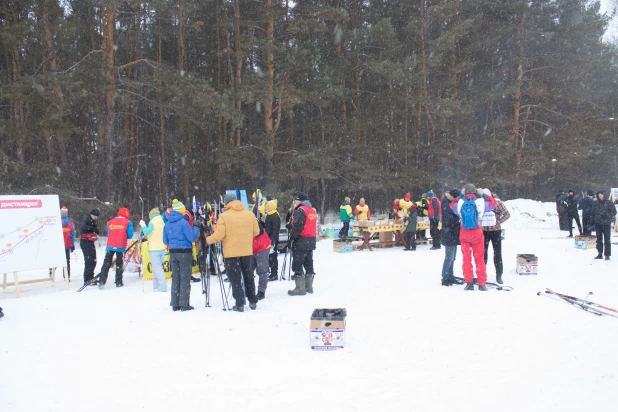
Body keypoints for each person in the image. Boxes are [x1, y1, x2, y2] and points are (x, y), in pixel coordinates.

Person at [206, 194, 260, 312]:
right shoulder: (249, 214)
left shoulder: (224, 216)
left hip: (231, 253)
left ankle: (239, 303)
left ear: (226, 203)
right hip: (247, 251)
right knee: (249, 276)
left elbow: (219, 235)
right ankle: (252, 300)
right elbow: (256, 232)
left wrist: (208, 240)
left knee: (235, 278)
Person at [450, 184, 497, 291]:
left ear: (465, 192)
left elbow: (452, 205)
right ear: (475, 192)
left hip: (464, 233)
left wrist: (460, 195)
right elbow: (494, 202)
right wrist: (483, 193)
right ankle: (481, 283)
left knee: (466, 259)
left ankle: (469, 282)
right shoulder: (481, 203)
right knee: (479, 259)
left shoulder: (460, 203)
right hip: (477, 233)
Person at [164, 199, 200, 311]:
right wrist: (196, 227)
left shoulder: (167, 223)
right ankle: (184, 304)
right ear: (181, 211)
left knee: (175, 277)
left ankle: (175, 303)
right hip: (184, 252)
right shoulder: (183, 223)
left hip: (173, 253)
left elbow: (165, 241)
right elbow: (192, 237)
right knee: (185, 278)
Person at [287, 192, 317, 296]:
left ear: (300, 201)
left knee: (297, 263)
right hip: (311, 239)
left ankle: (300, 288)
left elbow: (299, 226)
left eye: (296, 200)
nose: (295, 202)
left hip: (301, 240)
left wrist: (292, 238)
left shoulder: (301, 210)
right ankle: (309, 287)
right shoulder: (312, 210)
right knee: (308, 263)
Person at [99, 207, 134, 289]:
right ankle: (118, 282)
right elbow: (130, 235)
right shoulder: (128, 222)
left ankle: (102, 281)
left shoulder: (110, 222)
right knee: (119, 264)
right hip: (120, 246)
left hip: (110, 245)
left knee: (106, 263)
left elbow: (108, 232)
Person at [481, 189, 511, 284]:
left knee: (497, 254)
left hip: (496, 231)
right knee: (483, 254)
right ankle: (482, 274)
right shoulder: (481, 203)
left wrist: (498, 221)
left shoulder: (498, 203)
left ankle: (499, 275)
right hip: (484, 231)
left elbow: (507, 214)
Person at [140, 208, 167, 292]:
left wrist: (143, 225)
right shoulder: (162, 222)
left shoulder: (152, 223)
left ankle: (162, 286)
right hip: (162, 248)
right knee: (158, 268)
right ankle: (155, 286)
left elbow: (147, 232)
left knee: (157, 268)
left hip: (154, 249)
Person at [441, 190, 461, 286]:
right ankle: (445, 277)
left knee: (453, 257)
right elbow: (448, 220)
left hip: (452, 233)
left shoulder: (449, 203)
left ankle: (450, 275)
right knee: (449, 257)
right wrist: (458, 220)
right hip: (449, 233)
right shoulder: (447, 204)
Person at [592, 191, 616, 260]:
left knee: (607, 239)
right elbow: (593, 212)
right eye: (599, 194)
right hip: (598, 223)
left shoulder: (609, 203)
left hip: (606, 224)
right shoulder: (596, 203)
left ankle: (607, 255)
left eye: (601, 194)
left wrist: (607, 216)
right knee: (599, 239)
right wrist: (594, 219)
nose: (600, 196)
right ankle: (600, 253)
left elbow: (614, 212)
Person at [52, 206, 75, 280]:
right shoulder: (70, 223)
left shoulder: (56, 222)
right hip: (67, 244)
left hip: (58, 245)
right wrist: (72, 245)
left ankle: (51, 271)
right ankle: (66, 276)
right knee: (67, 261)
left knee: (56, 259)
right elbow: (72, 235)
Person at [79, 208, 100, 286]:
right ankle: (87, 278)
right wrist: (93, 229)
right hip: (85, 242)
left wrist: (95, 230)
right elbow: (83, 227)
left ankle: (91, 277)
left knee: (93, 260)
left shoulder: (92, 220)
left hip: (90, 242)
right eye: (95, 216)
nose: (96, 218)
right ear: (92, 214)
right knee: (89, 260)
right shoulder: (86, 218)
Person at [253, 220, 272, 300]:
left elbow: (259, 231)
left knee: (262, 269)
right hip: (252, 248)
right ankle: (250, 291)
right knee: (248, 270)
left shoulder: (251, 220)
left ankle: (261, 291)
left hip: (262, 246)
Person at [264, 198, 281, 281]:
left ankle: (274, 274)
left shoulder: (275, 216)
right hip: (268, 238)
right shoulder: (269, 215)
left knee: (273, 257)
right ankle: (272, 273)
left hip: (272, 239)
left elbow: (275, 229)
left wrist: (272, 240)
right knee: (269, 257)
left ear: (273, 207)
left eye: (269, 206)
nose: (267, 207)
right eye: (267, 206)